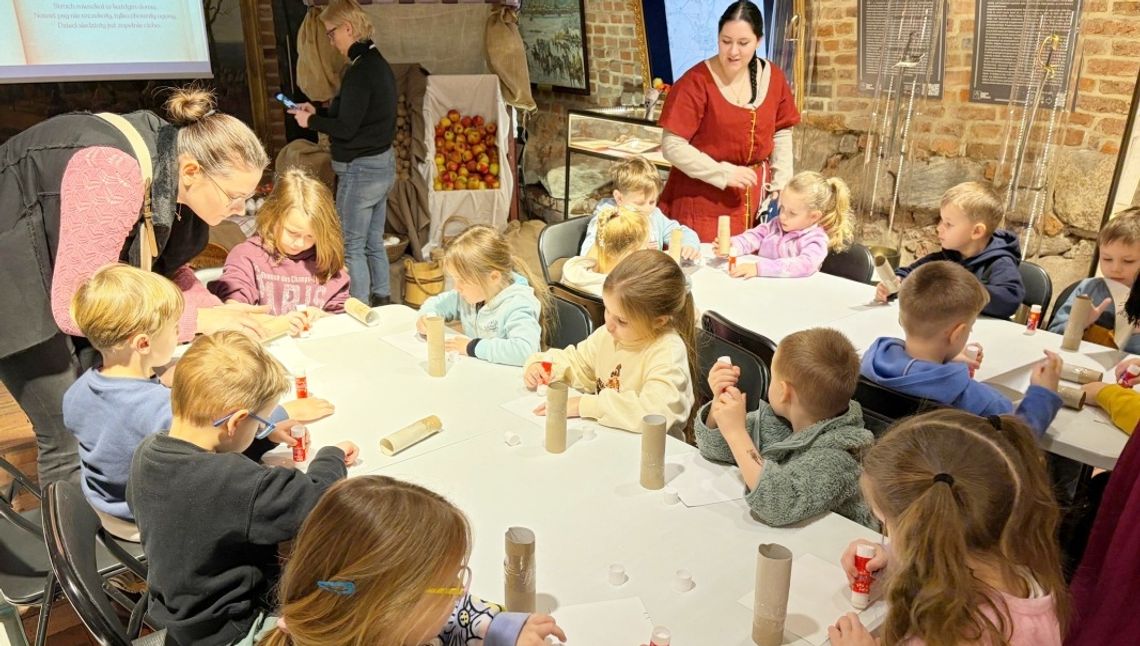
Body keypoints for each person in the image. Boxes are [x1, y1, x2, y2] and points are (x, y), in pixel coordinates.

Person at [0, 85, 276, 487]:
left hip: (61, 278)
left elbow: (160, 264)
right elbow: (82, 309)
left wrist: (216, 313)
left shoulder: (171, 164)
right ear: (193, 172)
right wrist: (198, 320)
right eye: (235, 197)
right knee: (65, 431)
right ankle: (71, 545)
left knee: (109, 404)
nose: (240, 211)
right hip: (16, 279)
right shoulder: (114, 171)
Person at [63, 265, 333, 541]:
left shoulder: (76, 391)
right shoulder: (163, 410)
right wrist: (281, 413)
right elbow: (214, 446)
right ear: (143, 344)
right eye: (175, 328)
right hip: (145, 521)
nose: (183, 335)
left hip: (106, 509)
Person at [127, 330, 359, 646]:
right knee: (352, 598)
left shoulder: (148, 452)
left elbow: (210, 469)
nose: (262, 430)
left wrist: (259, 439)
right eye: (260, 424)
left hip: (184, 619)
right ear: (236, 423)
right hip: (235, 630)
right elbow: (317, 501)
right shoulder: (234, 481)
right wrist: (331, 457)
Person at [829, 410, 1068, 646]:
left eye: (885, 524)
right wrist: (891, 556)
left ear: (920, 526)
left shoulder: (958, 633)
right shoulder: (1025, 576)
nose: (887, 534)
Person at [250, 476, 566, 646]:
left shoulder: (347, 616)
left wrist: (501, 630)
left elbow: (454, 613)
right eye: (448, 584)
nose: (459, 591)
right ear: (392, 610)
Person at [696, 327, 875, 528]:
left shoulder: (840, 458)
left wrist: (737, 433)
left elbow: (779, 505)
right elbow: (716, 450)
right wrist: (719, 406)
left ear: (783, 392)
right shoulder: (779, 421)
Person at [861, 261, 1063, 439]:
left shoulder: (867, 365)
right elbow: (1021, 438)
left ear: (901, 318)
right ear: (958, 334)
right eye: (971, 327)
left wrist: (944, 360)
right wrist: (1042, 393)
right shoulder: (981, 402)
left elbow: (911, 374)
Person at [657, 0, 799, 241]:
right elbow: (672, 146)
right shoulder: (695, 82)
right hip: (701, 199)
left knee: (749, 268)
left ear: (758, 41)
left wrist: (781, 182)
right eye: (726, 41)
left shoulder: (772, 77)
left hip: (756, 200)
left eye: (743, 43)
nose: (733, 51)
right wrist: (722, 172)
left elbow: (781, 131)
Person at [289, 0, 398, 306]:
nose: (331, 40)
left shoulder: (360, 72)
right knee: (373, 242)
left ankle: (359, 308)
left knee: (351, 245)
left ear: (348, 28)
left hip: (361, 171)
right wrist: (317, 111)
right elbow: (355, 115)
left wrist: (310, 121)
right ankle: (382, 299)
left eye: (331, 32)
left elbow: (347, 128)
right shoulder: (377, 64)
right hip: (381, 166)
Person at [524, 250, 696, 439]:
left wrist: (583, 405)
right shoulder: (609, 335)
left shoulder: (667, 351)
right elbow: (577, 362)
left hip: (652, 454)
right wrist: (544, 367)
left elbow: (653, 413)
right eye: (606, 310)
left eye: (622, 320)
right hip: (610, 441)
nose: (609, 324)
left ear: (659, 321)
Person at [210, 168, 351, 319]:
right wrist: (276, 323)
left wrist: (323, 317)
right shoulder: (247, 256)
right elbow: (235, 303)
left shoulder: (324, 258)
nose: (300, 243)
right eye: (292, 232)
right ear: (273, 218)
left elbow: (340, 314)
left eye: (310, 237)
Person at [874, 181, 1025, 319]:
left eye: (948, 224)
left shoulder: (1000, 263)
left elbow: (1010, 299)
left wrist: (957, 291)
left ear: (977, 232)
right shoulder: (946, 257)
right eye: (941, 220)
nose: (939, 228)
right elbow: (909, 273)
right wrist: (895, 285)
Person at [415, 226, 552, 367]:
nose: (457, 287)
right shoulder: (468, 295)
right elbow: (437, 304)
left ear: (493, 277)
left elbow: (524, 351)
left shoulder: (518, 303)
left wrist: (472, 347)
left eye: (462, 280)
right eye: (455, 280)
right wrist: (427, 317)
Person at [720, 171, 854, 278]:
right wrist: (734, 245)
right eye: (782, 208)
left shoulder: (816, 240)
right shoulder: (775, 225)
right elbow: (755, 236)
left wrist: (759, 268)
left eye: (792, 213)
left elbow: (805, 265)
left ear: (814, 216)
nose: (782, 216)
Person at [1048, 207, 1140, 352]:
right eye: (1107, 259)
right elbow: (1052, 333)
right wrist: (1078, 325)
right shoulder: (1088, 289)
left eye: (1128, 261)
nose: (1115, 268)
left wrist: (1134, 335)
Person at [579, 156, 699, 260]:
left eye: (652, 201)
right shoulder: (606, 219)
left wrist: (688, 245)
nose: (647, 209)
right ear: (619, 198)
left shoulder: (654, 215)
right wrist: (634, 252)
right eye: (639, 203)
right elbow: (588, 255)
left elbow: (680, 231)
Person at [563, 204, 651, 296]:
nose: (647, 249)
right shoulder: (623, 292)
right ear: (630, 252)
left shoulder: (571, 268)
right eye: (644, 247)